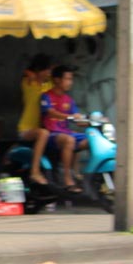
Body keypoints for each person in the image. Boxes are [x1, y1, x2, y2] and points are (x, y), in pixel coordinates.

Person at [40, 65, 86, 193]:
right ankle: (67, 177)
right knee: (70, 140)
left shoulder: (68, 100)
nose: (70, 82)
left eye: (71, 79)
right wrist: (71, 116)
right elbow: (50, 112)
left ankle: (78, 173)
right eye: (67, 79)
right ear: (57, 80)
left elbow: (77, 119)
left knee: (90, 140)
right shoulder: (46, 97)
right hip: (52, 134)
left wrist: (90, 121)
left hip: (66, 132)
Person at [15, 54, 53, 185]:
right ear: (38, 70)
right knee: (43, 133)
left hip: (42, 127)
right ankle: (35, 171)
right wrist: (33, 74)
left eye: (49, 70)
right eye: (45, 70)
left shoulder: (48, 86)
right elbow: (27, 73)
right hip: (26, 129)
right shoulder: (28, 83)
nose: (48, 73)